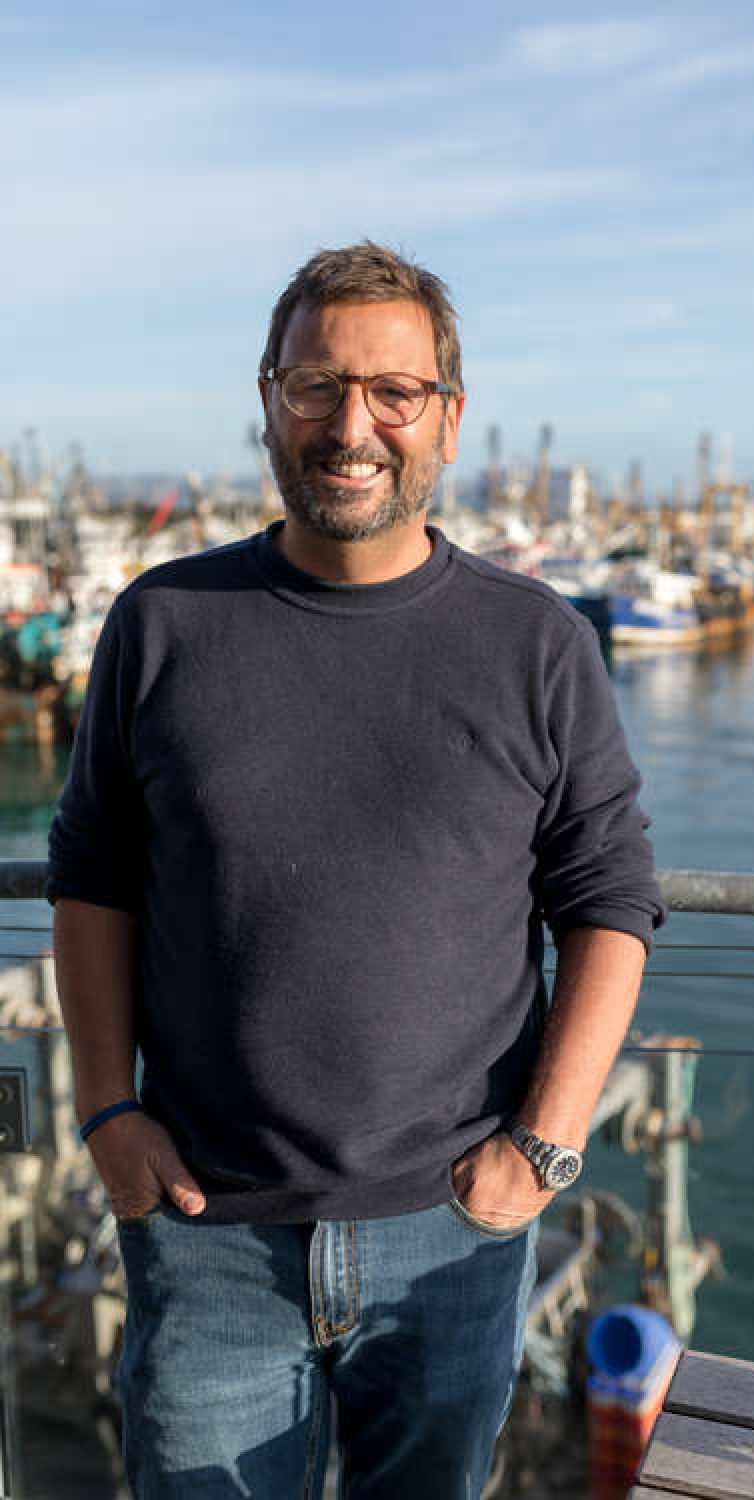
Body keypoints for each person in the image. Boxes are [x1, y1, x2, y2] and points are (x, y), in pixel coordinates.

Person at [48, 241, 665, 1499]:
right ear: (269, 398)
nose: (352, 425)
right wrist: (107, 1112)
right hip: (205, 1230)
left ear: (447, 416)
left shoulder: (536, 644)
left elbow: (609, 901)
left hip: (452, 1233)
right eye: (317, 385)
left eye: (393, 391)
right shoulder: (161, 625)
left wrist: (538, 1153)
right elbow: (93, 877)